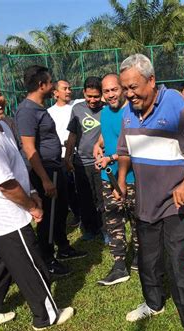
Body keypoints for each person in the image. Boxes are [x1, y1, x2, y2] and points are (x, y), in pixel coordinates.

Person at [116, 54, 184, 331]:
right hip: (145, 204)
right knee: (148, 260)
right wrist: (121, 177)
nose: (129, 94)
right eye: (125, 88)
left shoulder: (175, 104)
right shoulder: (128, 113)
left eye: (134, 87)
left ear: (152, 80)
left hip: (176, 204)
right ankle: (153, 303)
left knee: (180, 263)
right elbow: (123, 148)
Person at [0, 79, 74, 331]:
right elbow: (6, 185)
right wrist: (33, 207)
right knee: (30, 264)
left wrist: (33, 190)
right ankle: (46, 316)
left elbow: (15, 166)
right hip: (6, 215)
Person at [15, 65, 85, 278]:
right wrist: (45, 180)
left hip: (56, 167)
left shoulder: (39, 108)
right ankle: (47, 259)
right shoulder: (27, 111)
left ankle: (63, 247)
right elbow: (29, 148)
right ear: (41, 85)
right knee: (49, 217)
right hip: (44, 171)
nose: (53, 85)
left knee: (61, 211)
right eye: (50, 81)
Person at [94, 74, 139, 286]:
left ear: (122, 89)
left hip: (132, 178)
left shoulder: (132, 112)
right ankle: (119, 265)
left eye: (114, 90)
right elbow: (107, 135)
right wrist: (98, 144)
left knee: (137, 220)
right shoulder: (104, 112)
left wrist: (110, 158)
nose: (111, 95)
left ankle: (140, 258)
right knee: (114, 222)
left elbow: (133, 146)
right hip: (108, 177)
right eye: (106, 91)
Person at [65, 77, 107, 242]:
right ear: (84, 93)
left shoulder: (108, 110)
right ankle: (90, 229)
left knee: (102, 198)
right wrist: (68, 157)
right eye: (89, 96)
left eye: (96, 96)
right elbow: (73, 135)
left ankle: (105, 230)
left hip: (100, 162)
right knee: (85, 199)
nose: (92, 100)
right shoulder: (77, 109)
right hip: (81, 163)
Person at [47, 80, 83, 227]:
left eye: (70, 88)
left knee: (82, 186)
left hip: (79, 153)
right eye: (64, 89)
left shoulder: (78, 105)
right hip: (61, 155)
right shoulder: (49, 112)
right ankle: (77, 214)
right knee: (68, 187)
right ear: (55, 93)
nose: (69, 91)